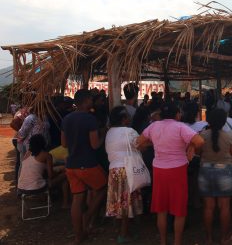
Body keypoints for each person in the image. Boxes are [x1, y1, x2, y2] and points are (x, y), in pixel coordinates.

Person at [136, 103, 204, 245]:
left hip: (159, 170)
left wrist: (153, 143)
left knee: (161, 209)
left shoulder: (153, 126)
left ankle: (163, 241)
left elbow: (138, 142)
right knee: (179, 209)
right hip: (177, 169)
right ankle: (177, 242)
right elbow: (200, 141)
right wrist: (191, 146)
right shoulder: (180, 127)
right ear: (177, 115)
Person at [61, 89, 107, 244]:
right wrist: (103, 135)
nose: (92, 102)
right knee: (102, 188)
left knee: (77, 199)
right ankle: (88, 217)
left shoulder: (66, 119)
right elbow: (95, 145)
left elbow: (64, 143)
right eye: (91, 99)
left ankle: (78, 235)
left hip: (71, 165)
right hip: (87, 163)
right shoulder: (90, 119)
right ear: (87, 101)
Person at [105, 106, 143, 243]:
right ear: (123, 119)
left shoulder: (109, 132)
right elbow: (140, 145)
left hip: (114, 170)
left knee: (119, 202)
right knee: (126, 204)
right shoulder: (130, 131)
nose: (130, 117)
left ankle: (121, 229)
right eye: (127, 116)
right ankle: (123, 234)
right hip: (127, 170)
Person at [198, 108, 232, 244]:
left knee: (208, 207)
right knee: (224, 206)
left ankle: (208, 238)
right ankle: (224, 237)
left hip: (205, 171)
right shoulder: (229, 136)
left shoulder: (202, 135)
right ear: (224, 121)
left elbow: (197, 151)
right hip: (224, 171)